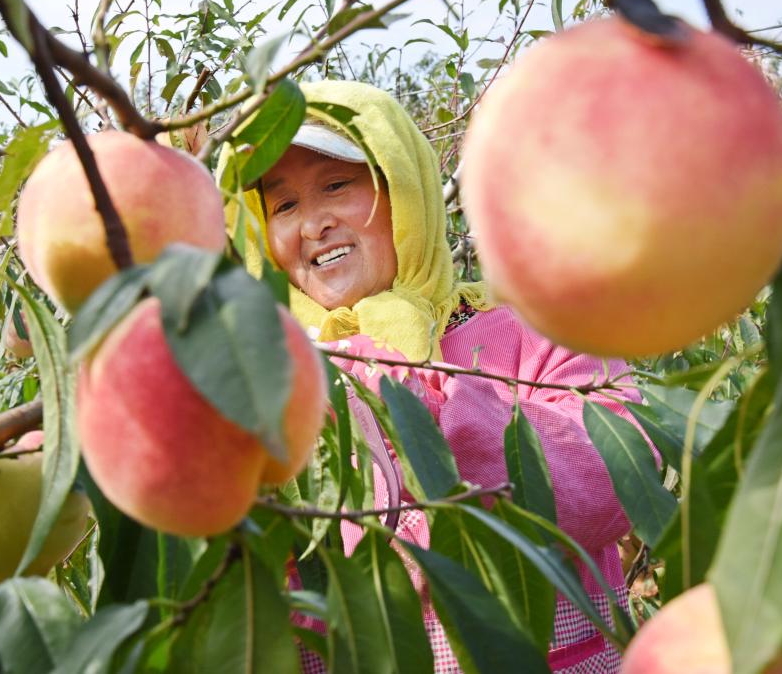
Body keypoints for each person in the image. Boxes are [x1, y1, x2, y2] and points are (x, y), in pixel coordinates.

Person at [220, 80, 644, 674]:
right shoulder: (271, 381)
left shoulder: (531, 329)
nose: (312, 223)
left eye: (336, 185)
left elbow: (618, 485)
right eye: (283, 205)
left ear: (404, 191)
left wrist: (422, 395)